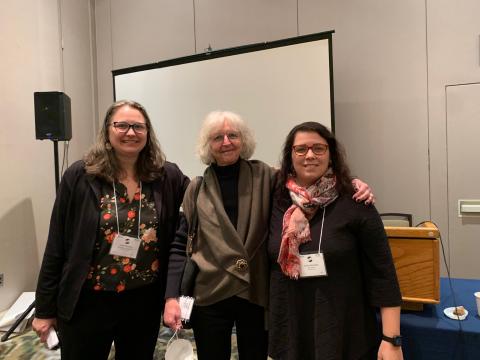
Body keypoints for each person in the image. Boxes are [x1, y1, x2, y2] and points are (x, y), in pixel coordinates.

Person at [163, 111, 374, 360]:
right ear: (207, 145)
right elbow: (180, 246)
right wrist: (171, 297)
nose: (226, 142)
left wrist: (352, 181)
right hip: (209, 295)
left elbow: (310, 180)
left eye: (233, 135)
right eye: (217, 137)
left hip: (255, 292)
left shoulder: (267, 176)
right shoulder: (196, 189)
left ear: (244, 140)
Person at [32, 100, 189, 359]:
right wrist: (44, 309)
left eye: (138, 126)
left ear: (148, 133)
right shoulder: (80, 176)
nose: (130, 132)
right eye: (122, 125)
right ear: (107, 130)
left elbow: (203, 195)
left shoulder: (166, 176)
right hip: (88, 300)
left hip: (143, 300)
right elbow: (57, 243)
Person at [267, 121, 403, 360]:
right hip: (290, 333)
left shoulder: (355, 201)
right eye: (301, 149)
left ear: (331, 155)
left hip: (344, 334)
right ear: (290, 156)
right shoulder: (276, 198)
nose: (309, 155)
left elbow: (383, 273)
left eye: (318, 148)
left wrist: (392, 340)